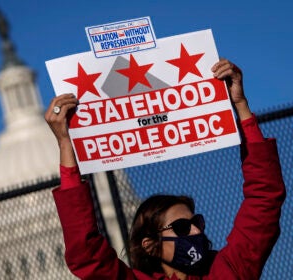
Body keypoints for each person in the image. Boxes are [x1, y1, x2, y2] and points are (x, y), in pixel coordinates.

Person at [45, 59, 286, 279]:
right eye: (181, 227)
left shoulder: (229, 270)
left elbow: (264, 198)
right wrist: (65, 143)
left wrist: (241, 106)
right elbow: (87, 256)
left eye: (197, 223)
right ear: (150, 246)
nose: (195, 231)